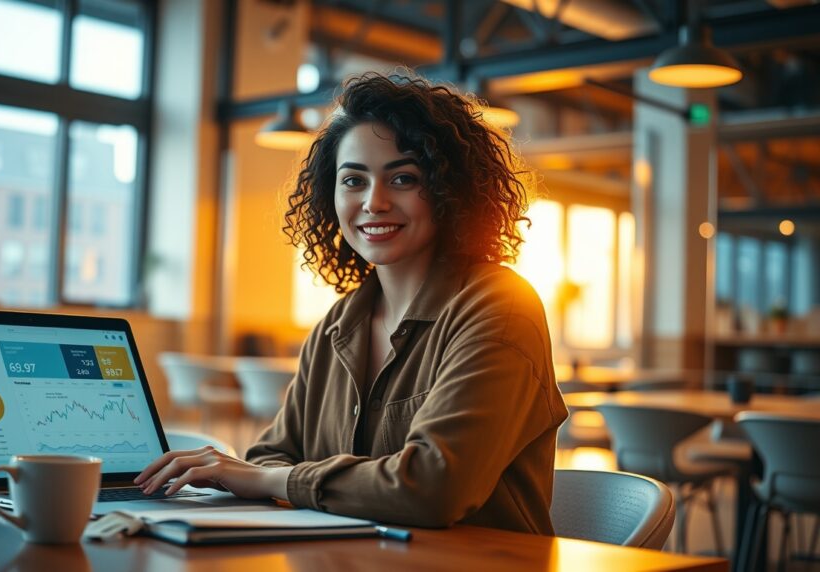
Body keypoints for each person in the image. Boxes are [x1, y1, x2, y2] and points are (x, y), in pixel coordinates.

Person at [135, 72, 568, 533]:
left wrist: (275, 480)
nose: (374, 202)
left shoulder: (499, 307)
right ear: (331, 196)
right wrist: (270, 477)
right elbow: (270, 457)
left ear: (448, 192)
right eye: (354, 180)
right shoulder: (339, 323)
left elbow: (433, 487)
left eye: (403, 178)